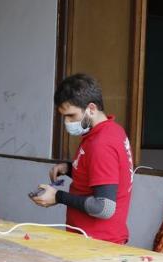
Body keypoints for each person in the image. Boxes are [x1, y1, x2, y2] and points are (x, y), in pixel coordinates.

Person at [30, 74, 133, 243]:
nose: (67, 122)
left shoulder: (101, 144)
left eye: (71, 116)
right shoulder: (112, 131)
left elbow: (104, 207)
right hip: (94, 238)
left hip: (97, 242)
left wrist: (58, 197)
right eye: (64, 117)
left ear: (91, 108)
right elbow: (102, 174)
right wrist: (69, 169)